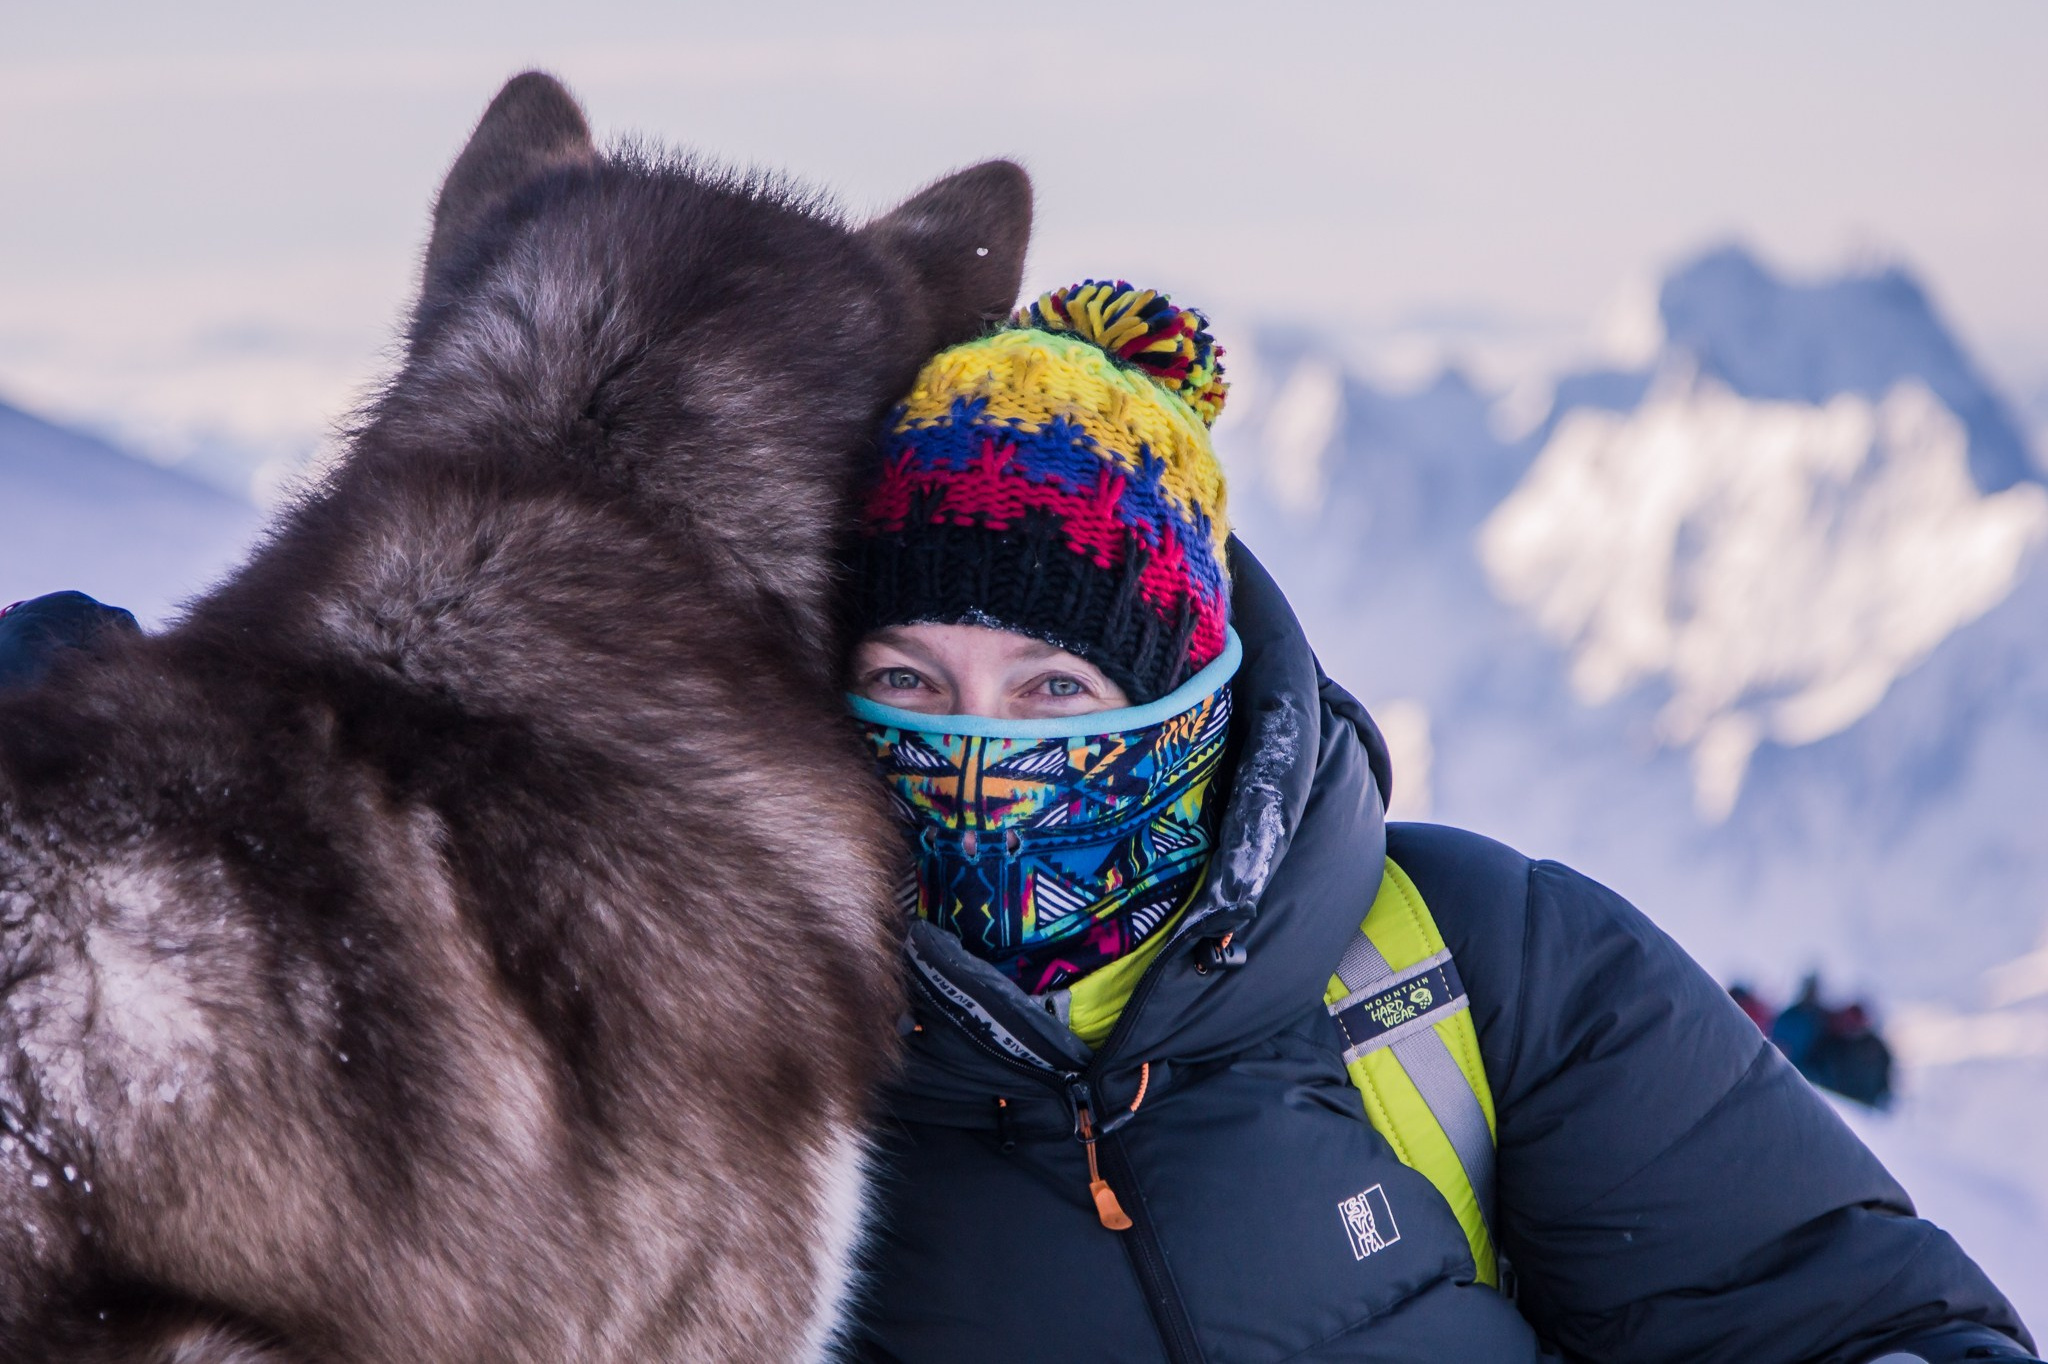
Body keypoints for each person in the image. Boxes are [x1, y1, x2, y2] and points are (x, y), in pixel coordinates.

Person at [834, 281, 2036, 1362]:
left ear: (1182, 708)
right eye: (907, 683)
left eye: (1055, 687)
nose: (979, 750)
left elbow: (1844, 1318)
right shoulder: (771, 1069)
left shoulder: (1483, 962)